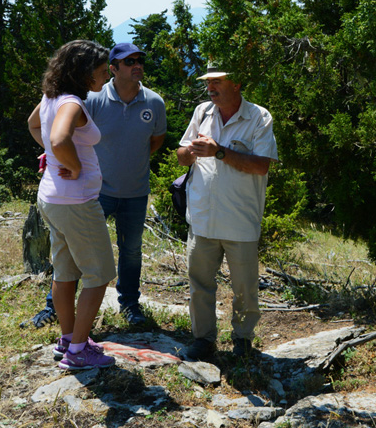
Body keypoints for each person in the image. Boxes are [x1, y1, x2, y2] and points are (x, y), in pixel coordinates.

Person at [24, 42, 167, 330]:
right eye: (129, 62)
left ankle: (128, 306)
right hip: (92, 193)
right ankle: (57, 313)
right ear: (112, 69)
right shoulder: (89, 97)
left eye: (140, 60)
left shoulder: (154, 103)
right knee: (77, 260)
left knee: (131, 252)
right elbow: (48, 128)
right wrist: (64, 159)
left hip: (134, 190)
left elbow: (155, 142)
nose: (137, 64)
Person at [176, 65, 278, 360]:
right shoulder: (202, 112)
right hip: (202, 217)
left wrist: (219, 151)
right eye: (209, 81)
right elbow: (182, 157)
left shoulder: (259, 117)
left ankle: (243, 340)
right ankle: (203, 340)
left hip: (240, 219)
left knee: (245, 287)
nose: (211, 87)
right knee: (200, 284)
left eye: (218, 81)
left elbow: (262, 165)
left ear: (238, 83)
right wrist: (191, 151)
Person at [28, 40, 117, 370]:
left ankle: (68, 339)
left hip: (53, 198)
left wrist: (53, 157)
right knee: (98, 274)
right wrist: (73, 165)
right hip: (77, 201)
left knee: (65, 271)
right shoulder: (72, 104)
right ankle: (79, 351)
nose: (106, 76)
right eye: (102, 71)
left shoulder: (51, 98)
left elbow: (34, 125)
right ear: (83, 73)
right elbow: (59, 138)